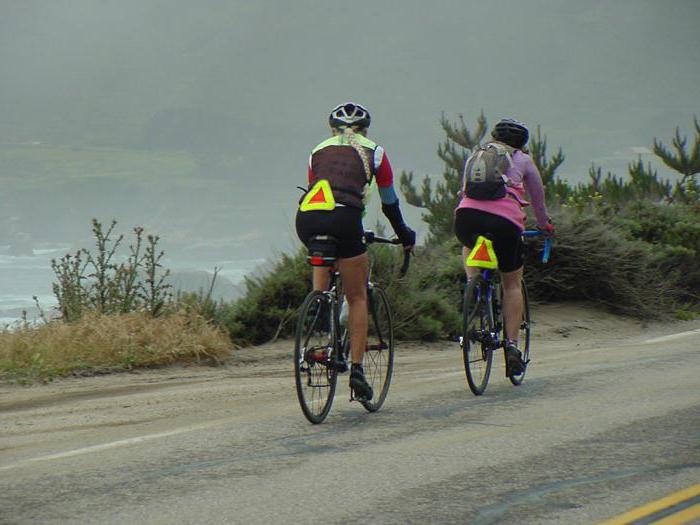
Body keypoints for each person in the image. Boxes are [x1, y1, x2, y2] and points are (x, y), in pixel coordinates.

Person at [296, 102, 415, 400]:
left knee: (324, 264)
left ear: (331, 128)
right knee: (357, 295)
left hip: (307, 218)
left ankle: (321, 318)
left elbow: (321, 194)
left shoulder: (317, 151)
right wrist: (404, 234)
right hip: (346, 219)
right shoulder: (375, 152)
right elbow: (389, 203)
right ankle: (357, 370)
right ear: (366, 129)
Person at [454, 118, 554, 377]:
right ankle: (511, 346)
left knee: (468, 245)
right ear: (522, 143)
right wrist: (544, 225)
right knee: (511, 284)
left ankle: (473, 287)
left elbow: (465, 190)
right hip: (505, 224)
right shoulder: (522, 159)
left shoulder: (477, 154)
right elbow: (537, 197)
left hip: (466, 218)